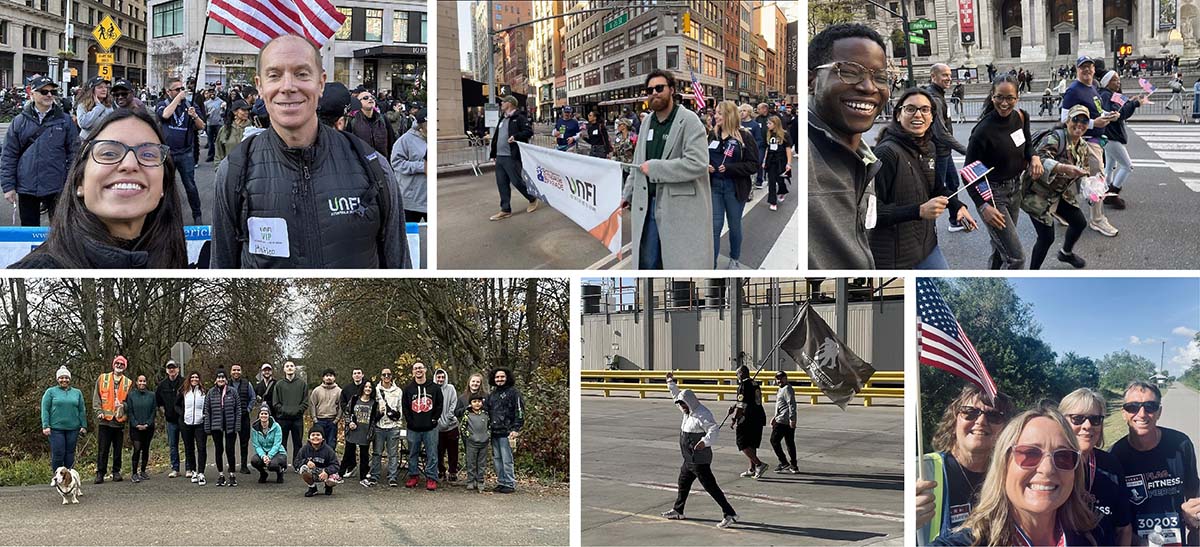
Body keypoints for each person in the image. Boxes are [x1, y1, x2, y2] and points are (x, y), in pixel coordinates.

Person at [212, 34, 410, 268]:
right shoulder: (234, 171)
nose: (288, 86)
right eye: (274, 75)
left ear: (321, 83)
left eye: (302, 74)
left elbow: (399, 267)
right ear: (260, 86)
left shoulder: (373, 166)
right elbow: (221, 267)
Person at [10, 109, 188, 269]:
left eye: (148, 154)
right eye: (109, 153)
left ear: (163, 184)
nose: (130, 164)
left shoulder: (173, 258)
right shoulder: (38, 269)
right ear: (80, 181)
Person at [930, 406, 1100, 546]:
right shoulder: (967, 543)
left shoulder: (1092, 537)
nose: (1047, 469)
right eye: (1030, 454)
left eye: (1063, 457)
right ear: (1003, 466)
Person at [807, 24, 888, 269]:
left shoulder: (866, 158)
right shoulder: (809, 153)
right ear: (811, 81)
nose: (869, 87)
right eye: (850, 72)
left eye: (880, 78)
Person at [872, 88, 976, 269]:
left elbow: (936, 188)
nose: (918, 114)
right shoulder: (886, 152)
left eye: (925, 109)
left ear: (932, 117)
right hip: (896, 254)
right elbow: (871, 212)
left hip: (927, 244)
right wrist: (918, 211)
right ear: (898, 115)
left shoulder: (929, 147)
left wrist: (958, 206)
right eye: (910, 109)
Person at [622, 68, 712, 269]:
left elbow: (698, 163)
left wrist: (656, 168)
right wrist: (627, 194)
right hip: (646, 204)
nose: (654, 93)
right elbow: (637, 163)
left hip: (677, 207)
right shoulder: (647, 122)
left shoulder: (689, 120)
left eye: (659, 88)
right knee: (648, 262)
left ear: (671, 89)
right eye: (650, 90)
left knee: (678, 264)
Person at [916, 385, 1014, 543]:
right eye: (970, 413)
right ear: (953, 421)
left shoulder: (1010, 477)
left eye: (994, 416)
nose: (981, 421)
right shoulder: (921, 470)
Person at [1110, 381, 1200, 545]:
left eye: (1150, 406)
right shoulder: (1114, 456)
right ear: (1124, 413)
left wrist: (1194, 515)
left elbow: (1193, 490)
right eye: (1133, 407)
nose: (1142, 414)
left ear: (1159, 412)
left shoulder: (1181, 444)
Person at [963, 74, 1037, 270]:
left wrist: (1034, 157)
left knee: (1000, 247)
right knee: (1016, 258)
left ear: (1017, 97)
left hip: (1015, 189)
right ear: (992, 96)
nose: (1004, 103)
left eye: (1009, 98)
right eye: (999, 97)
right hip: (993, 195)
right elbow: (968, 173)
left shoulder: (1021, 117)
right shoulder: (982, 131)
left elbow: (1028, 145)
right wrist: (983, 206)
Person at [661, 372, 738, 528]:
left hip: (699, 459)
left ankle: (729, 513)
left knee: (710, 487)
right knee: (683, 482)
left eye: (683, 405)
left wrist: (705, 442)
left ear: (690, 402)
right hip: (689, 459)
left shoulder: (702, 414)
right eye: (681, 405)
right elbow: (676, 395)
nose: (682, 407)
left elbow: (713, 429)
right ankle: (678, 510)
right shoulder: (687, 411)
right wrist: (670, 382)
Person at [1, 76, 80, 228]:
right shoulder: (19, 121)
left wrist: (71, 181)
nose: (49, 95)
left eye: (52, 92)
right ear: (32, 94)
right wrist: (8, 186)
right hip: (27, 186)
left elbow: (74, 154)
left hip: (57, 186)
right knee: (29, 230)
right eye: (44, 92)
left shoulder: (65, 121)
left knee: (60, 229)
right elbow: (9, 155)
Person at [1058, 388, 1133, 546]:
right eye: (1077, 418)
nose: (1087, 425)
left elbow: (1123, 529)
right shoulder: (1051, 466)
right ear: (1061, 422)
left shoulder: (1111, 464)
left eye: (1095, 419)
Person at [1022, 104, 1092, 270]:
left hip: (1059, 192)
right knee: (1046, 238)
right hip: (1037, 193)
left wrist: (1093, 188)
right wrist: (1062, 168)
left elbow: (1084, 171)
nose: (1079, 124)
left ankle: (1065, 253)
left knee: (1079, 223)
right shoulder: (1056, 138)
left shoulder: (1083, 146)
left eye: (1084, 121)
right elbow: (1038, 160)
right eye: (1076, 119)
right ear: (1067, 121)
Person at [1059, 56, 1119, 238]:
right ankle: (1097, 219)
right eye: (1083, 67)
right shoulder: (1073, 91)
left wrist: (1108, 115)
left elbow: (1096, 111)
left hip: (1095, 140)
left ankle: (1057, 209)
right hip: (1086, 140)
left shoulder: (1092, 87)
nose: (1087, 70)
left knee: (1074, 180)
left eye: (1089, 67)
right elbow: (1064, 119)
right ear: (1077, 70)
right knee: (1097, 179)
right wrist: (1093, 123)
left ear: (1094, 69)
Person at [707, 100, 758, 270]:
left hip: (734, 188)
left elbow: (753, 165)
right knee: (714, 227)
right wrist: (706, 166)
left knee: (734, 225)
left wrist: (731, 168)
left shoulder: (744, 136)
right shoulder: (712, 135)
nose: (715, 116)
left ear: (729, 115)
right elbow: (704, 156)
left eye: (719, 113)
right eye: (715, 113)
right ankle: (712, 263)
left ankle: (734, 258)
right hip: (714, 186)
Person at [157, 77, 206, 225]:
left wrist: (194, 116)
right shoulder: (162, 104)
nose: (181, 91)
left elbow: (201, 126)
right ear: (168, 91)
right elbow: (165, 115)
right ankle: (166, 216)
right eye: (177, 89)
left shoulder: (190, 105)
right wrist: (178, 99)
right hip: (168, 153)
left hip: (186, 152)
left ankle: (197, 214)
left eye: (182, 88)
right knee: (166, 186)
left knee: (190, 185)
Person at [1098, 71, 1147, 211]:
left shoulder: (1109, 94)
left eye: (1118, 79)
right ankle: (1112, 194)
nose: (1118, 82)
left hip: (1109, 136)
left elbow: (1122, 108)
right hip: (1112, 136)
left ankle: (1106, 191)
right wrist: (1134, 104)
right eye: (1114, 80)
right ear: (1107, 82)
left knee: (1109, 166)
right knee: (1127, 166)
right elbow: (1118, 114)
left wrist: (1132, 102)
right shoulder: (1106, 95)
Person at [487, 95, 540, 221]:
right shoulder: (502, 118)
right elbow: (497, 137)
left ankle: (532, 198)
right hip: (500, 156)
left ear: (510, 103)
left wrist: (516, 136)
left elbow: (528, 132)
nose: (501, 104)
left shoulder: (519, 118)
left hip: (511, 156)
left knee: (517, 181)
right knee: (502, 183)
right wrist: (493, 154)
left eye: (503, 102)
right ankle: (505, 209)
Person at [92, 355, 132, 484]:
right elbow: (96, 397)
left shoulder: (128, 382)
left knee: (118, 449)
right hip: (105, 420)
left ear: (125, 367)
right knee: (103, 449)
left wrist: (123, 406)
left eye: (122, 364)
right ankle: (100, 473)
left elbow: (130, 401)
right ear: (113, 365)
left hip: (119, 421)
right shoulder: (103, 378)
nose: (119, 365)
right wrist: (98, 412)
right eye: (117, 363)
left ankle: (116, 471)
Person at [402, 361, 442, 490]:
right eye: (415, 368)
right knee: (413, 453)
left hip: (430, 428)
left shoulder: (434, 388)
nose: (418, 370)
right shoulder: (408, 389)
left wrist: (434, 419)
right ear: (413, 372)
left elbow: (439, 405)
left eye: (420, 368)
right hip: (413, 428)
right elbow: (405, 407)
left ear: (424, 370)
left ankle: (431, 478)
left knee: (432, 454)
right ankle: (414, 476)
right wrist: (410, 421)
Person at [42, 366, 87, 474]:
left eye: (66, 378)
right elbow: (45, 409)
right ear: (57, 379)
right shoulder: (50, 392)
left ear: (69, 379)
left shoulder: (77, 392)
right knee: (58, 453)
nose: (64, 380)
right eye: (61, 378)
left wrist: (83, 425)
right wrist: (45, 425)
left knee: (70, 453)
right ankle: (57, 477)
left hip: (73, 428)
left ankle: (69, 477)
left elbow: (82, 410)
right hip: (56, 428)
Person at [485, 367, 523, 494]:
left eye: (502, 377)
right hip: (494, 432)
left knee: (507, 459)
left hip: (508, 432)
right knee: (497, 459)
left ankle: (509, 483)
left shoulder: (514, 393)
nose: (499, 379)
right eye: (497, 377)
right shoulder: (492, 395)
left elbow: (519, 411)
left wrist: (516, 428)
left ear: (507, 378)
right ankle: (501, 482)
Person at [727, 365, 768, 478]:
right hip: (758, 416)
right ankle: (752, 468)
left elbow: (742, 405)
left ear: (741, 373)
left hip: (747, 418)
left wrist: (735, 418)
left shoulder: (743, 386)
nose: (736, 376)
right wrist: (734, 405)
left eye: (737, 374)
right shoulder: (754, 384)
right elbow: (748, 399)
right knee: (751, 443)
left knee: (742, 443)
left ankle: (759, 464)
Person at [204, 369, 241, 487]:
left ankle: (232, 475)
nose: (221, 379)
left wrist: (237, 425)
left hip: (230, 425)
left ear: (226, 379)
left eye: (223, 377)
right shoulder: (211, 393)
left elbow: (238, 409)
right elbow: (207, 410)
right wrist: (207, 427)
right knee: (219, 450)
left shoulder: (233, 391)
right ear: (216, 380)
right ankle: (221, 475)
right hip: (216, 425)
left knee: (230, 450)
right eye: (219, 377)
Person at [391, 108, 427, 223]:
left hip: (428, 198)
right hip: (411, 201)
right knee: (409, 232)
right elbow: (396, 163)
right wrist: (422, 167)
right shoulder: (405, 140)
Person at [270, 360, 309, 468]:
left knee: (298, 443)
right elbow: (275, 403)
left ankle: (297, 465)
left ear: (295, 368)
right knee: (282, 443)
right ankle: (282, 465)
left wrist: (297, 411)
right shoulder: (279, 384)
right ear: (284, 369)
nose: (290, 367)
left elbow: (305, 402)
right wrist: (285, 411)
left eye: (292, 366)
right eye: (287, 366)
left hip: (297, 419)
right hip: (283, 419)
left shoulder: (302, 384)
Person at [372, 367, 403, 487]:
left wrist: (398, 424)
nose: (386, 377)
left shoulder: (398, 391)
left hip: (393, 427)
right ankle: (375, 476)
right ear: (381, 376)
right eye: (384, 375)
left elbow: (400, 408)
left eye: (388, 375)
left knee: (393, 454)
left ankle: (392, 477)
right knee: (377, 453)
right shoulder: (376, 390)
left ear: (391, 376)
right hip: (379, 426)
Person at [153, 360, 184, 477]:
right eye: (169, 368)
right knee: (173, 445)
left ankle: (190, 469)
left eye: (174, 367)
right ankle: (175, 469)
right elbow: (158, 402)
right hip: (171, 420)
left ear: (178, 369)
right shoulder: (162, 385)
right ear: (166, 370)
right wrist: (164, 412)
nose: (172, 370)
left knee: (187, 444)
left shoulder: (184, 382)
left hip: (184, 419)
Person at [124, 374, 156, 484]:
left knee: (146, 448)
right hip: (135, 428)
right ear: (137, 382)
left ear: (146, 382)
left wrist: (147, 424)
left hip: (148, 427)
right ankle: (134, 473)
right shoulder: (131, 395)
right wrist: (136, 424)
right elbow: (130, 411)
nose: (142, 383)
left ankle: (143, 471)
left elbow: (153, 411)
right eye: (140, 381)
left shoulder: (152, 395)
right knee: (137, 448)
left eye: (144, 381)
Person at [345, 380, 378, 487]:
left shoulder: (374, 403)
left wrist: (381, 412)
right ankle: (341, 473)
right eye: (366, 387)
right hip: (353, 430)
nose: (368, 389)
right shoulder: (355, 399)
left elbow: (375, 418)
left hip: (366, 432)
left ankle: (363, 477)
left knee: (364, 455)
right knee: (348, 451)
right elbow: (347, 412)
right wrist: (350, 422)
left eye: (370, 387)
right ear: (362, 388)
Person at [178, 371, 208, 486]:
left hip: (200, 424)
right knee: (189, 448)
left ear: (199, 379)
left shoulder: (204, 392)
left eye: (196, 377)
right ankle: (193, 471)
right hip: (187, 423)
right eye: (192, 377)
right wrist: (182, 414)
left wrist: (205, 415)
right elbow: (176, 405)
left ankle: (201, 473)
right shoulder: (184, 391)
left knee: (201, 448)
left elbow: (208, 406)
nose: (194, 379)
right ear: (189, 379)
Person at [345, 91, 395, 157]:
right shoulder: (352, 121)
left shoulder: (383, 119)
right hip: (362, 161)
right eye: (366, 98)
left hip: (382, 160)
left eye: (372, 97)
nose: (370, 99)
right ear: (358, 103)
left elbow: (391, 141)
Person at [337, 368, 367, 479]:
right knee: (349, 447)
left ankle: (364, 473)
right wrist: (349, 418)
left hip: (364, 422)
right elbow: (343, 403)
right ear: (352, 376)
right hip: (351, 421)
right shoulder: (347, 389)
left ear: (362, 375)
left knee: (364, 449)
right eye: (355, 373)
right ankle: (348, 468)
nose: (357, 375)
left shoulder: (367, 387)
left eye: (359, 373)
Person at [227, 364, 256, 475]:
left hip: (244, 417)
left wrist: (248, 409)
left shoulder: (247, 384)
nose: (236, 372)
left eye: (238, 370)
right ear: (231, 372)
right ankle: (231, 465)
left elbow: (253, 398)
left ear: (241, 372)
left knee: (244, 443)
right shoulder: (226, 384)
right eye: (234, 370)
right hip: (230, 418)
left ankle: (244, 466)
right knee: (230, 443)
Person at [295, 427, 341, 497]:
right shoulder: (304, 449)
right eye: (313, 435)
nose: (315, 437)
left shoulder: (328, 450)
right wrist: (306, 462)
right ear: (309, 438)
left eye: (318, 435)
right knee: (303, 468)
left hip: (325, 472)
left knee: (333, 479)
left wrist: (327, 471)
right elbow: (296, 462)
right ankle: (312, 488)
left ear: (323, 438)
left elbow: (336, 465)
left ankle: (328, 486)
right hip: (312, 472)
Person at [433, 368, 460, 483]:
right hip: (437, 426)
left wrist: (449, 418)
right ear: (435, 378)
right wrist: (437, 420)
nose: (441, 379)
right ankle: (441, 471)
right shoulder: (432, 389)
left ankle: (453, 472)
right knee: (439, 451)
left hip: (451, 425)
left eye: (443, 377)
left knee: (453, 451)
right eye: (438, 377)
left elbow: (454, 404)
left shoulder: (451, 388)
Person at [310, 368, 343, 462]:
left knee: (331, 444)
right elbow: (312, 405)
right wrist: (314, 419)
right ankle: (318, 462)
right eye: (327, 376)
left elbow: (341, 406)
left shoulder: (339, 391)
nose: (329, 378)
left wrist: (337, 419)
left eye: (331, 376)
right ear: (323, 378)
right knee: (317, 443)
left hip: (332, 421)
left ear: (334, 378)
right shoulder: (317, 390)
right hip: (319, 420)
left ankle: (330, 463)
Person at [763, 115, 793, 211]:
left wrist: (789, 163)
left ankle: (782, 190)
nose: (767, 125)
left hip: (781, 161)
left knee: (780, 180)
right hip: (771, 161)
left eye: (769, 123)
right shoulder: (769, 134)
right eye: (767, 123)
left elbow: (788, 149)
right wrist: (764, 160)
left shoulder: (785, 135)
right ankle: (773, 201)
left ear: (775, 124)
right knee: (771, 181)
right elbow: (767, 148)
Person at [460, 393, 490, 491]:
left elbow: (489, 426)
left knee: (481, 463)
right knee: (471, 462)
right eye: (474, 401)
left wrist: (487, 435)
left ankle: (480, 481)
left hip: (484, 443)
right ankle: (470, 481)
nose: (477, 403)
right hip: (472, 443)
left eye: (479, 401)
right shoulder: (467, 414)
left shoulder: (485, 414)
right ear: (470, 403)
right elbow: (463, 428)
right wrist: (470, 437)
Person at [769, 371, 797, 474]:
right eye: (777, 378)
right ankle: (793, 465)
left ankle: (784, 462)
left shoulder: (787, 389)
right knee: (789, 442)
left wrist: (792, 419)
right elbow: (781, 406)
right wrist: (775, 417)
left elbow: (792, 404)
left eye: (781, 378)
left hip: (783, 420)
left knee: (774, 440)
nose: (779, 380)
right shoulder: (781, 389)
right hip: (782, 418)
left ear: (786, 378)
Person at [250, 404, 286, 484]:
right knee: (254, 461)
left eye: (266, 414)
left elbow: (277, 444)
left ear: (269, 415)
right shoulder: (255, 428)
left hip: (278, 452)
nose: (264, 415)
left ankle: (280, 472)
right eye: (262, 413)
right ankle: (263, 474)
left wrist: (269, 456)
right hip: (263, 452)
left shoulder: (276, 426)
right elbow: (257, 445)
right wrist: (263, 456)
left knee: (272, 465)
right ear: (259, 415)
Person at [75, 76, 113, 141]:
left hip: (105, 141)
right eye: (100, 87)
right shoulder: (83, 105)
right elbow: (84, 124)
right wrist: (98, 107)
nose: (104, 90)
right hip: (87, 142)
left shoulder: (110, 105)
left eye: (105, 87)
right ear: (92, 90)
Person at [204, 89, 225, 163]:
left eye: (213, 92)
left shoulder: (220, 101)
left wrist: (223, 109)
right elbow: (204, 113)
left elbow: (223, 111)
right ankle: (211, 155)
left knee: (220, 140)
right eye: (210, 92)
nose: (212, 94)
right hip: (210, 123)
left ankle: (221, 155)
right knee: (210, 141)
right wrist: (206, 115)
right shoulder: (206, 103)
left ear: (215, 93)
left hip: (219, 123)